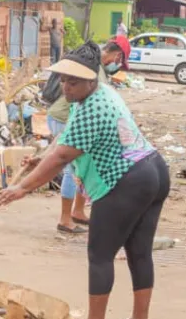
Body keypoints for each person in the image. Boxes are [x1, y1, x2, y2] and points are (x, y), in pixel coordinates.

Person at [0, 42, 170, 319]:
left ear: (91, 80)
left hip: (125, 180)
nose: (66, 87)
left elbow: (63, 158)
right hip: (152, 169)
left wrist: (22, 188)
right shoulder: (100, 93)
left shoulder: (93, 107)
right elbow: (64, 140)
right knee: (139, 251)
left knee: (100, 255)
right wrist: (42, 156)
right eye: (63, 80)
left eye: (73, 81)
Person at [44, 40, 129, 234]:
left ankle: (78, 211)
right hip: (61, 116)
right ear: (116, 55)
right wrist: (22, 188)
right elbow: (61, 153)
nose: (66, 86)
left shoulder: (96, 74)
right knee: (71, 169)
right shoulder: (92, 72)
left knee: (82, 166)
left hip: (67, 116)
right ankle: (65, 219)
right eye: (65, 82)